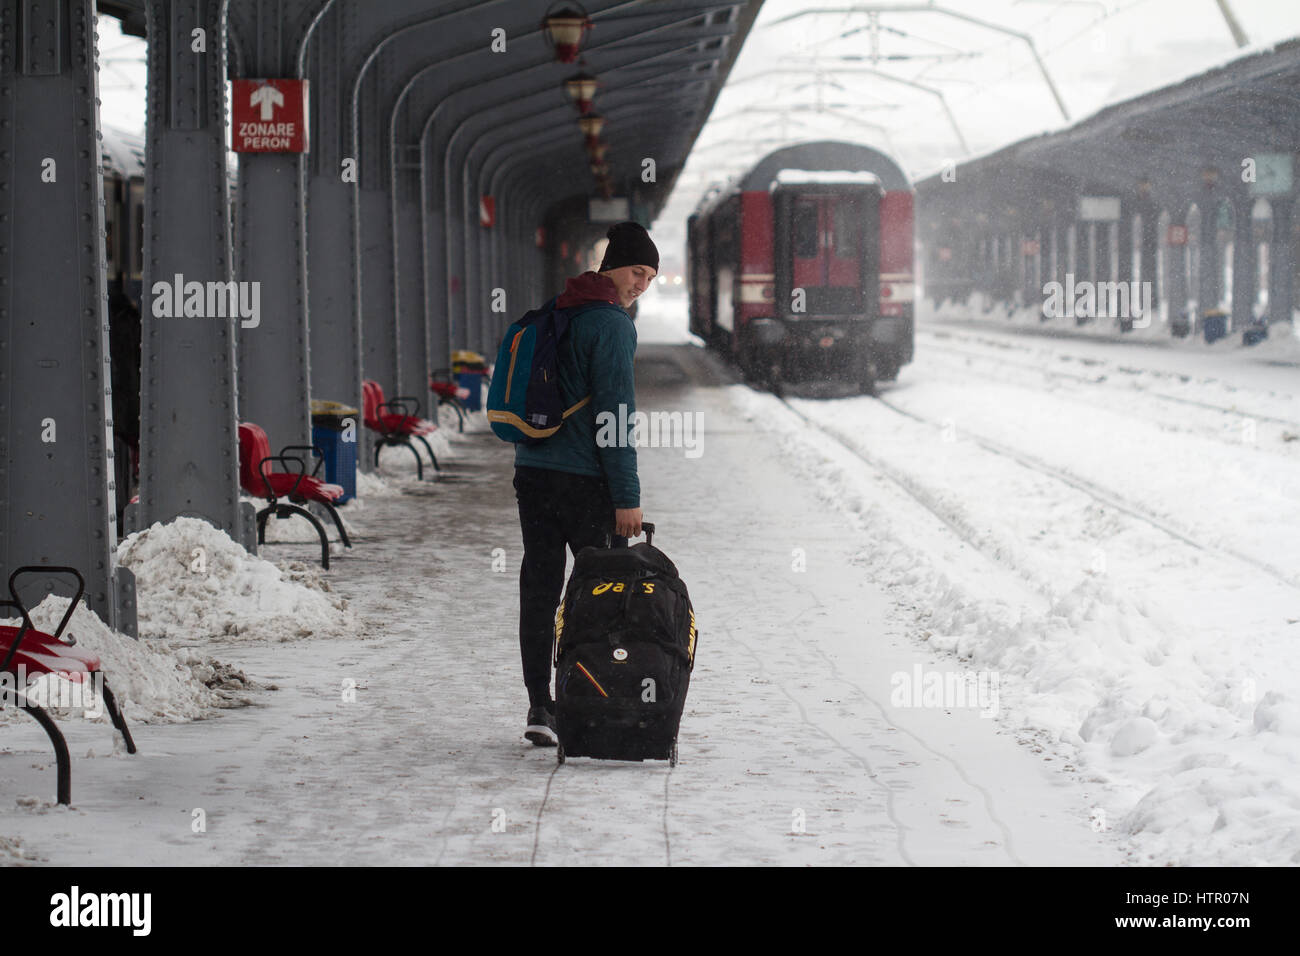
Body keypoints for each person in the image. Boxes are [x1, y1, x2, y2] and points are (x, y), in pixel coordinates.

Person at [513, 221, 657, 746]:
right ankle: (590, 701)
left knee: (540, 589)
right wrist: (628, 498)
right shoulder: (613, 326)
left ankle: (539, 705)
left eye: (649, 277)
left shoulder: (554, 310)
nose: (640, 284)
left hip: (533, 475)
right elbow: (616, 417)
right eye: (635, 271)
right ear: (610, 267)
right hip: (586, 484)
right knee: (601, 596)